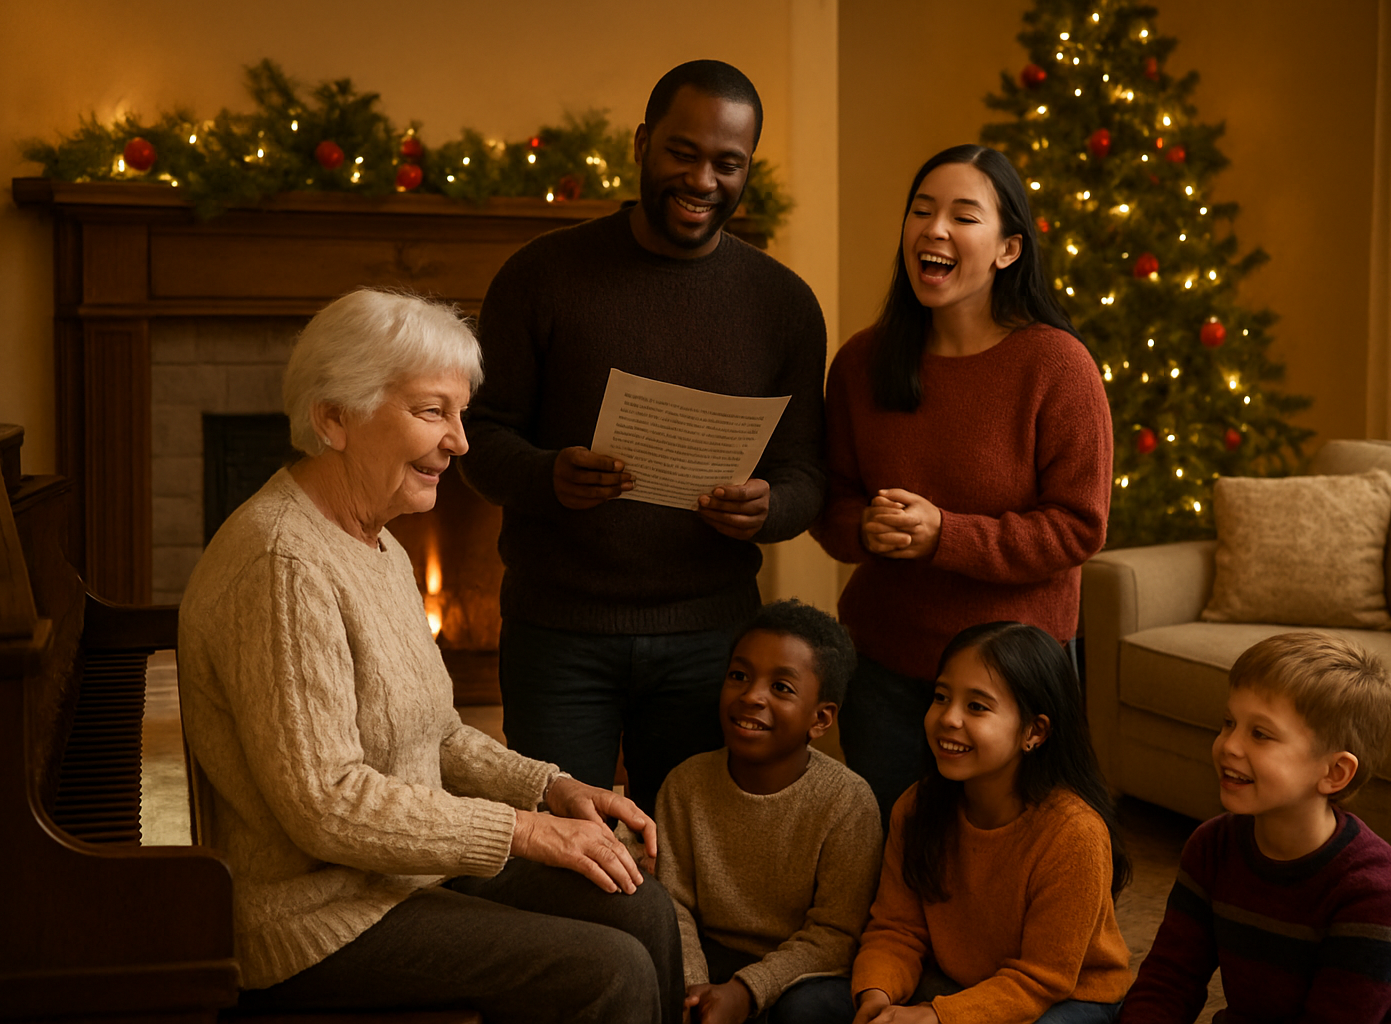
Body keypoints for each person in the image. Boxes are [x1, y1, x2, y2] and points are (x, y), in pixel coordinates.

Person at [177, 289, 683, 1023]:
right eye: (430, 412)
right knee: (609, 969)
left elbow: (436, 732)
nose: (461, 442)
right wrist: (521, 830)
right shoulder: (281, 563)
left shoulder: (377, 542)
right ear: (333, 419)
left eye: (461, 414)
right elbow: (325, 804)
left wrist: (549, 789)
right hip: (317, 916)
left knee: (638, 906)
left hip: (400, 873)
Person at [462, 59, 828, 814]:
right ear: (641, 144)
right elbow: (482, 437)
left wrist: (770, 508)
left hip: (712, 637)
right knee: (564, 854)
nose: (703, 180)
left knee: (691, 857)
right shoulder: (541, 276)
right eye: (682, 153)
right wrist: (547, 476)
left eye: (728, 164)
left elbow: (807, 473)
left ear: (747, 169)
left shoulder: (783, 305)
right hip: (559, 631)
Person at [809, 144, 1112, 827]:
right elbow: (831, 498)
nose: (934, 229)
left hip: (1012, 674)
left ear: (1008, 249)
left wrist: (946, 535)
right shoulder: (862, 361)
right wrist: (863, 527)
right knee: (892, 856)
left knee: (1007, 860)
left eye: (962, 216)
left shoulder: (1057, 365)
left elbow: (1077, 526)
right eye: (922, 210)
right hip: (884, 664)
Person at [1120, 632, 1391, 1023]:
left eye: (1260, 734)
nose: (1229, 745)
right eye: (1229, 722)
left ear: (1334, 773)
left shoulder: (1373, 889)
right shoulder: (1213, 845)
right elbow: (1169, 979)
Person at [846, 622, 1132, 1024]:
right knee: (814, 1003)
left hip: (1066, 997)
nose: (948, 718)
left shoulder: (1074, 833)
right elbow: (896, 930)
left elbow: (1042, 980)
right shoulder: (916, 806)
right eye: (941, 697)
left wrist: (935, 1017)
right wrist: (876, 996)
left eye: (976, 706)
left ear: (1034, 731)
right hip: (956, 981)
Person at [656, 600, 882, 1024]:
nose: (751, 696)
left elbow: (835, 934)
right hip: (708, 958)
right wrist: (694, 989)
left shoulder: (848, 802)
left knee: (805, 1011)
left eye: (781, 687)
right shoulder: (685, 784)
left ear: (821, 719)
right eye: (739, 676)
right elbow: (673, 906)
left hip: (805, 971)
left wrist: (746, 991)